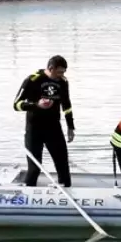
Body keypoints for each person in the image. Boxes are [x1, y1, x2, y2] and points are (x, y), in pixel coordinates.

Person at [14, 55, 75, 187]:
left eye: (64, 72)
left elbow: (67, 105)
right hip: (34, 129)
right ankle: (27, 195)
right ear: (51, 68)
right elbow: (16, 105)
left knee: (63, 165)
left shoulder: (63, 82)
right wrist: (37, 105)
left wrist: (70, 127)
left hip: (53, 128)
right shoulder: (32, 80)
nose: (62, 75)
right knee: (35, 168)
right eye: (60, 72)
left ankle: (66, 193)